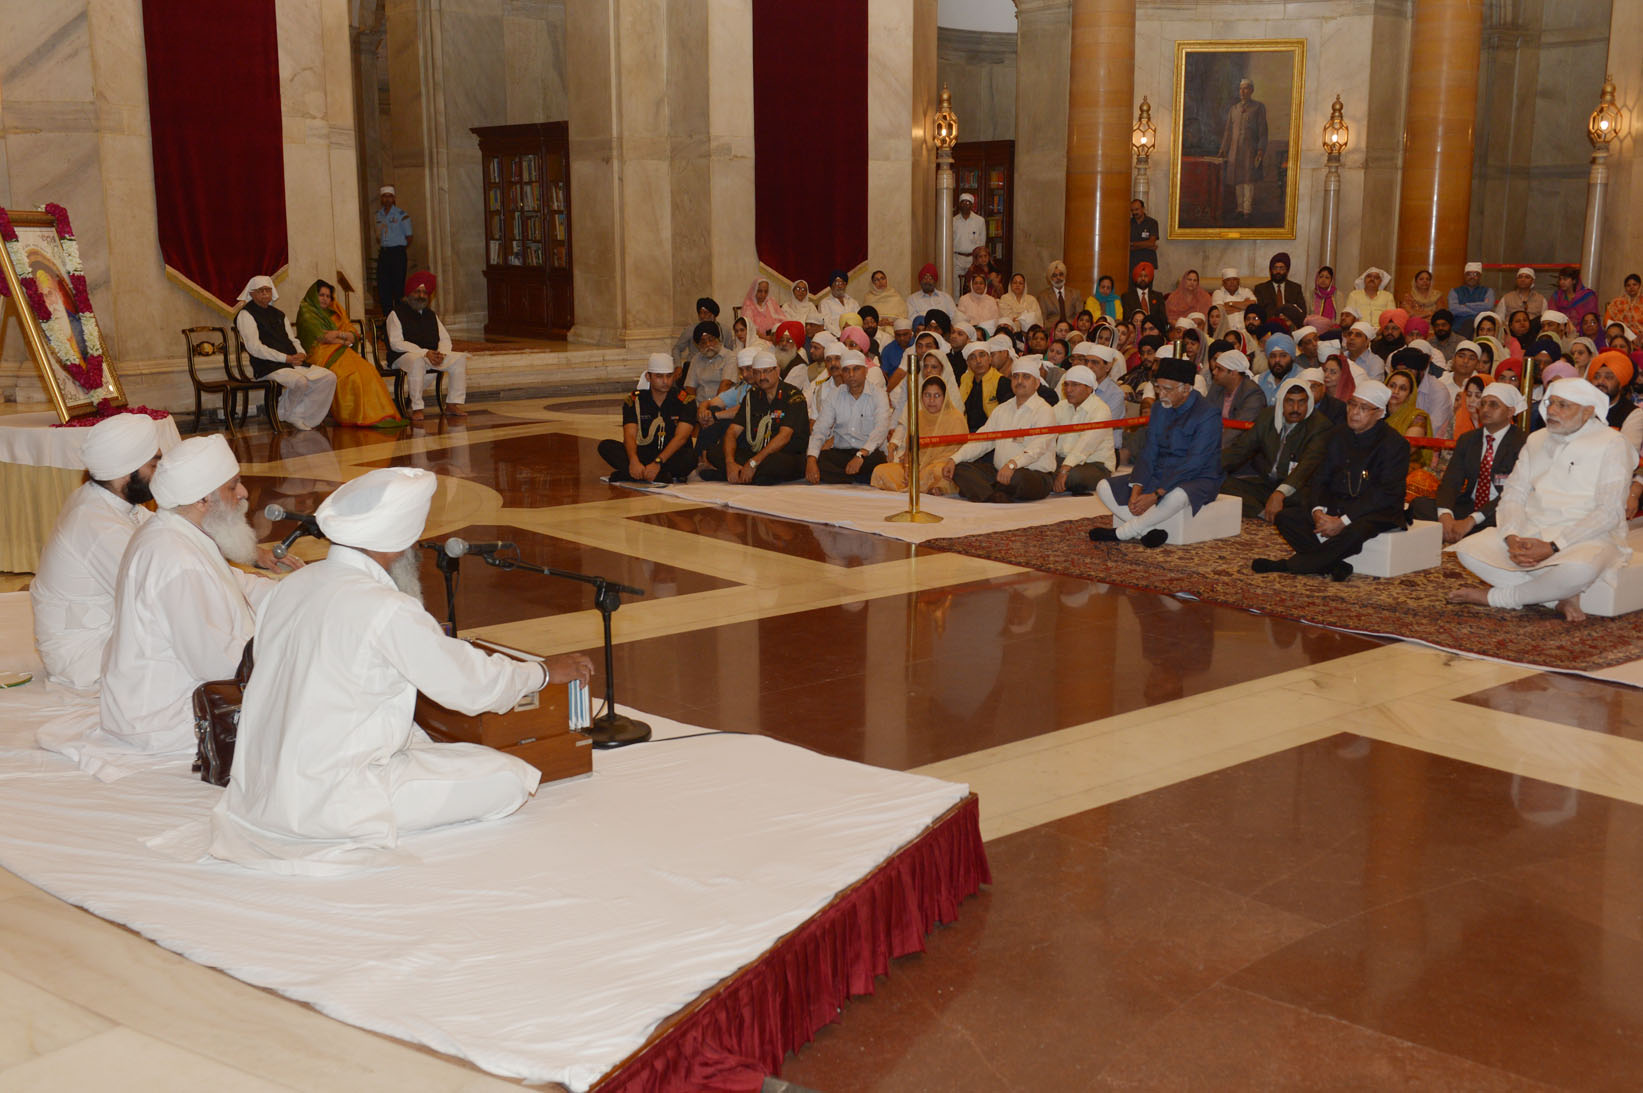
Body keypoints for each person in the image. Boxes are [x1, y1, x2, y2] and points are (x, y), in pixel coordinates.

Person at [209, 468, 594, 874]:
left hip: (261, 787)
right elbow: (471, 687)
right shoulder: (386, 607)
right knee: (509, 778)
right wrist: (541, 672)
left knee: (427, 745)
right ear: (398, 543)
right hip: (333, 797)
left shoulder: (290, 586)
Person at [96, 435, 286, 759]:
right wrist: (287, 647)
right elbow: (217, 663)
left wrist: (303, 591)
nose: (243, 494)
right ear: (202, 500)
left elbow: (238, 584)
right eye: (233, 486)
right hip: (165, 716)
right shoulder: (176, 559)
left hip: (170, 695)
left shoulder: (177, 530)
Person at [1451, 378, 1633, 622]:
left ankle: (1498, 597)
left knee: (1579, 569)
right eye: (1550, 403)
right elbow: (1513, 494)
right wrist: (1512, 536)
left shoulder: (1612, 443)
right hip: (1532, 529)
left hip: (1588, 537)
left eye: (1563, 405)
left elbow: (1609, 512)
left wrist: (1554, 546)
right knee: (1468, 550)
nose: (1552, 411)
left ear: (1588, 411)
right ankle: (1555, 598)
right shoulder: (1536, 439)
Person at [31, 414, 163, 691]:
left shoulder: (107, 500)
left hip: (108, 632)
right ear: (126, 471)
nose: (161, 472)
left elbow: (172, 539)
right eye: (154, 463)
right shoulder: (96, 524)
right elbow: (158, 591)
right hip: (84, 657)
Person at [1252, 380, 1410, 581]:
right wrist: (1317, 510)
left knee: (1354, 533)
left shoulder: (1395, 444)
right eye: (1352, 404)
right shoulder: (1336, 435)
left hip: (1376, 511)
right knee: (1287, 518)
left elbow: (1384, 494)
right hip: (1338, 503)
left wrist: (1343, 521)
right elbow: (1320, 478)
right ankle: (1333, 565)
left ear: (1379, 413)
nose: (1354, 412)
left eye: (1363, 408)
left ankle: (1289, 565)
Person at [1091, 357, 1223, 547]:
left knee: (1176, 495)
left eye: (1167, 389)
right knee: (1104, 486)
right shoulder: (1160, 408)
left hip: (1198, 477)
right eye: (1158, 387)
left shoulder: (1207, 414)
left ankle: (1123, 532)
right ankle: (1146, 531)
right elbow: (1149, 451)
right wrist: (1137, 487)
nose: (1161, 394)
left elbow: (1195, 462)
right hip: (1160, 472)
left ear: (1186, 388)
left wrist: (1156, 494)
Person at [1408, 382, 1526, 543]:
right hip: (1469, 505)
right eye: (1483, 403)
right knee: (1419, 505)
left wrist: (1471, 520)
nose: (1485, 409)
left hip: (1500, 509)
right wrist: (1446, 515)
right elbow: (1451, 481)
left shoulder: (1522, 442)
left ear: (1510, 412)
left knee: (1507, 520)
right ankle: (1461, 532)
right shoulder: (1469, 439)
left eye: (1493, 405)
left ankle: (1466, 531)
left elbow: (1511, 494)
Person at [942, 357, 1057, 503]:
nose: (1019, 381)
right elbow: (982, 440)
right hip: (1000, 472)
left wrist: (1012, 464)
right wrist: (954, 459)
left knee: (1018, 478)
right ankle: (993, 495)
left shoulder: (1044, 411)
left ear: (1037, 383)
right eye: (1015, 376)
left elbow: (1037, 448)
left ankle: (984, 491)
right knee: (960, 468)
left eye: (1026, 377)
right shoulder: (1002, 409)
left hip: (1033, 475)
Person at [294, 280, 404, 428]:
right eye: (321, 295)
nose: (325, 299)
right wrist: (344, 338)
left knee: (368, 370)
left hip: (342, 351)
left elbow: (353, 334)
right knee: (350, 376)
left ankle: (379, 414)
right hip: (319, 355)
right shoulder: (307, 312)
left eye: (328, 296)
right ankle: (355, 415)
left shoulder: (337, 310)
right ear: (314, 296)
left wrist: (339, 335)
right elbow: (324, 337)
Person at [233, 276, 338, 431]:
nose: (265, 294)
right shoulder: (245, 315)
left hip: (292, 361)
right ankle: (285, 412)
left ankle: (295, 413)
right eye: (260, 291)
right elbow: (255, 347)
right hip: (267, 365)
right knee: (300, 382)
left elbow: (292, 339)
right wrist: (285, 358)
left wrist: (301, 353)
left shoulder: (279, 314)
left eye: (267, 290)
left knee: (329, 377)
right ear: (252, 293)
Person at [1221, 375, 1330, 521]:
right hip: (1268, 483)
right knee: (1220, 482)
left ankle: (1274, 511)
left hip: (1298, 488)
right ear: (1281, 403)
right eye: (1290, 402)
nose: (1296, 409)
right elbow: (1241, 449)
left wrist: (1280, 493)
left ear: (1308, 403)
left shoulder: (1320, 426)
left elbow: (1305, 468)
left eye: (1301, 402)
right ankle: (1266, 513)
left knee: (1308, 501)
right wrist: (1207, 467)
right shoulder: (1268, 416)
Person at [702, 350, 808, 484]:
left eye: (766, 371)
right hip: (756, 454)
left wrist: (753, 463)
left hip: (786, 455)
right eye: (757, 372)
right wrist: (730, 463)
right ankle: (744, 474)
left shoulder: (793, 396)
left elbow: (784, 436)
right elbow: (732, 431)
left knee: (773, 464)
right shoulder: (752, 396)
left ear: (777, 371)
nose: (762, 377)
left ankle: (734, 475)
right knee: (715, 452)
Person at [599, 354, 697, 484]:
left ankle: (632, 474)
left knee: (691, 458)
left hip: (671, 454)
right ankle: (658, 476)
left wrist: (658, 462)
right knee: (606, 446)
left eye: (669, 376)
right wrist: (634, 460)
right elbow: (630, 435)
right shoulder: (634, 400)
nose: (665, 381)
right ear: (648, 377)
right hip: (644, 452)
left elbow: (681, 438)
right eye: (659, 376)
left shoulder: (685, 400)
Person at [385, 271, 468, 422]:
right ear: (409, 293)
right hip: (402, 357)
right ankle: (417, 408)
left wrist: (441, 353)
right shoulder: (396, 314)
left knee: (459, 359)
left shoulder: (431, 314)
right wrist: (424, 353)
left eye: (424, 292)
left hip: (430, 355)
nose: (421, 295)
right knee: (417, 361)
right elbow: (396, 343)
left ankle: (452, 404)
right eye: (417, 291)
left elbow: (445, 338)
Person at [874, 373, 967, 497]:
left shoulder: (956, 418)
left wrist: (928, 465)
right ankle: (927, 486)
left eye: (937, 396)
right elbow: (910, 448)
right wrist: (908, 467)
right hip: (916, 465)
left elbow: (958, 451)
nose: (931, 400)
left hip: (939, 466)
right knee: (880, 470)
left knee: (940, 473)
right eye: (927, 395)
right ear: (921, 397)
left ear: (945, 397)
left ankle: (928, 485)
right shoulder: (918, 417)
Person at [805, 350, 890, 485]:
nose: (851, 375)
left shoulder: (878, 394)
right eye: (846, 370)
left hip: (868, 453)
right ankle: (858, 478)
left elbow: (881, 429)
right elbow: (820, 428)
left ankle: (848, 477)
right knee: (819, 460)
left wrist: (861, 454)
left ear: (866, 371)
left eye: (856, 369)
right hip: (842, 452)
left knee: (877, 462)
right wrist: (811, 459)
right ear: (842, 373)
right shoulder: (835, 395)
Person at [1050, 363, 1116, 495]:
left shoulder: (1101, 409)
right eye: (1066, 384)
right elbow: (1045, 430)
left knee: (1073, 476)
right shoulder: (1061, 406)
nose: (1068, 390)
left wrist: (1064, 470)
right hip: (1062, 461)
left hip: (1094, 465)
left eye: (1075, 385)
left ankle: (1054, 481)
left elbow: (1086, 444)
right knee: (1038, 467)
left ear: (1089, 389)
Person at [1218, 77, 1268, 221]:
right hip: (1235, 151)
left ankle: (1247, 211)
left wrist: (1260, 150)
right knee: (1237, 180)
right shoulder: (1234, 109)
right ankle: (1239, 209)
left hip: (1250, 150)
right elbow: (1228, 131)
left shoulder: (1258, 107)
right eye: (1241, 88)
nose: (1242, 91)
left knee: (1248, 180)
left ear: (1251, 90)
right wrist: (1223, 149)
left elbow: (1263, 131)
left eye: (1246, 88)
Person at [1209, 347, 1266, 447]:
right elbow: (1205, 415)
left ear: (1233, 373)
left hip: (1238, 448)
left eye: (1219, 369)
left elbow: (1237, 430)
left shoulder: (1253, 394)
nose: (1214, 372)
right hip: (1213, 440)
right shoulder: (1217, 386)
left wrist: (1212, 448)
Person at [1586, 349, 1643, 450]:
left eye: (1608, 377)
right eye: (1596, 376)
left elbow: (1627, 454)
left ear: (1621, 383)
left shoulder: (1633, 414)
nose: (1600, 381)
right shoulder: (1582, 407)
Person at [373, 184, 411, 317]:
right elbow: (378, 235)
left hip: (398, 254)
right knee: (383, 289)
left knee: (398, 289)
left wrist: (398, 248)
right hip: (384, 254)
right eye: (384, 196)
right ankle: (387, 320)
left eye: (390, 196)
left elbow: (409, 237)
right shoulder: (378, 215)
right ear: (381, 199)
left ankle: (400, 319)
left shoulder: (402, 215)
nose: (387, 199)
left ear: (394, 198)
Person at [1448, 261, 1496, 335]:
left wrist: (1466, 305)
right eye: (1469, 274)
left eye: (1475, 274)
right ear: (1464, 276)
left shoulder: (1488, 291)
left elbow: (1488, 306)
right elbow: (1453, 309)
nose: (1472, 277)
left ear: (1480, 276)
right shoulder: (1454, 291)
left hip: (1482, 329)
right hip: (1458, 329)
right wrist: (1480, 309)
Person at [1120, 262, 1167, 331]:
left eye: (1146, 276)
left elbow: (1162, 318)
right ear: (1135, 278)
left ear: (1150, 278)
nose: (1143, 279)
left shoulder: (1158, 296)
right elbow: (1127, 318)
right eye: (1140, 276)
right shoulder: (1127, 297)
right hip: (1135, 331)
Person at [1551, 266, 1599, 333]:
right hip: (1560, 332)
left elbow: (1592, 319)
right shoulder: (1557, 297)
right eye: (1560, 279)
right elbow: (1552, 317)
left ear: (1574, 280)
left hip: (1584, 332)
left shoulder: (1587, 296)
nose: (1562, 282)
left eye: (1565, 279)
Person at [1257, 332, 1297, 403]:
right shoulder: (1259, 381)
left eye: (1283, 355)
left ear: (1292, 357)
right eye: (1272, 356)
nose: (1277, 360)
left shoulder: (1302, 377)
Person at [1210, 268, 1254, 333]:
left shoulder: (1246, 291)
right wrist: (1243, 306)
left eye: (1234, 279)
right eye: (1228, 280)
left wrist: (1230, 304)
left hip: (1246, 331)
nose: (1232, 282)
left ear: (1239, 281)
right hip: (1226, 332)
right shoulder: (1218, 293)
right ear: (1223, 282)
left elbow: (1253, 305)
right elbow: (1220, 311)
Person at [1037, 260, 1076, 328]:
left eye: (1061, 274)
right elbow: (1042, 320)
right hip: (1052, 330)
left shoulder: (1074, 293)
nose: (1058, 278)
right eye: (1054, 275)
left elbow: (1078, 317)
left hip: (1071, 330)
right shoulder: (1043, 296)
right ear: (1050, 278)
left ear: (1064, 276)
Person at [953, 193, 986, 273]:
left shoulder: (980, 221)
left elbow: (982, 243)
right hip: (956, 259)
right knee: (957, 285)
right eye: (963, 202)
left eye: (968, 203)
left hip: (974, 260)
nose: (965, 205)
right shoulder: (953, 221)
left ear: (972, 205)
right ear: (959, 205)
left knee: (973, 284)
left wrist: (978, 261)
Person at [1128, 199, 1160, 271]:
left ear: (1143, 209)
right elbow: (1126, 246)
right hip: (1132, 262)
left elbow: (1151, 243)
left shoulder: (1152, 223)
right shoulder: (1128, 223)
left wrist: (1133, 244)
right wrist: (1147, 245)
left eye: (1136, 209)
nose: (1134, 212)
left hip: (1148, 262)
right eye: (1132, 210)